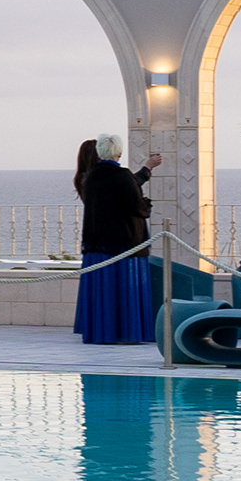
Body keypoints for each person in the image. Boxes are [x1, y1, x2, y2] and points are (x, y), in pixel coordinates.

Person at [72, 134, 162, 343]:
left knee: (103, 291)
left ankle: (102, 332)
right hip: (124, 244)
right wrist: (146, 204)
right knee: (126, 289)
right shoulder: (122, 175)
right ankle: (129, 331)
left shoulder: (89, 178)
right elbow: (136, 205)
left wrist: (146, 170)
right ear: (119, 153)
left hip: (96, 244)